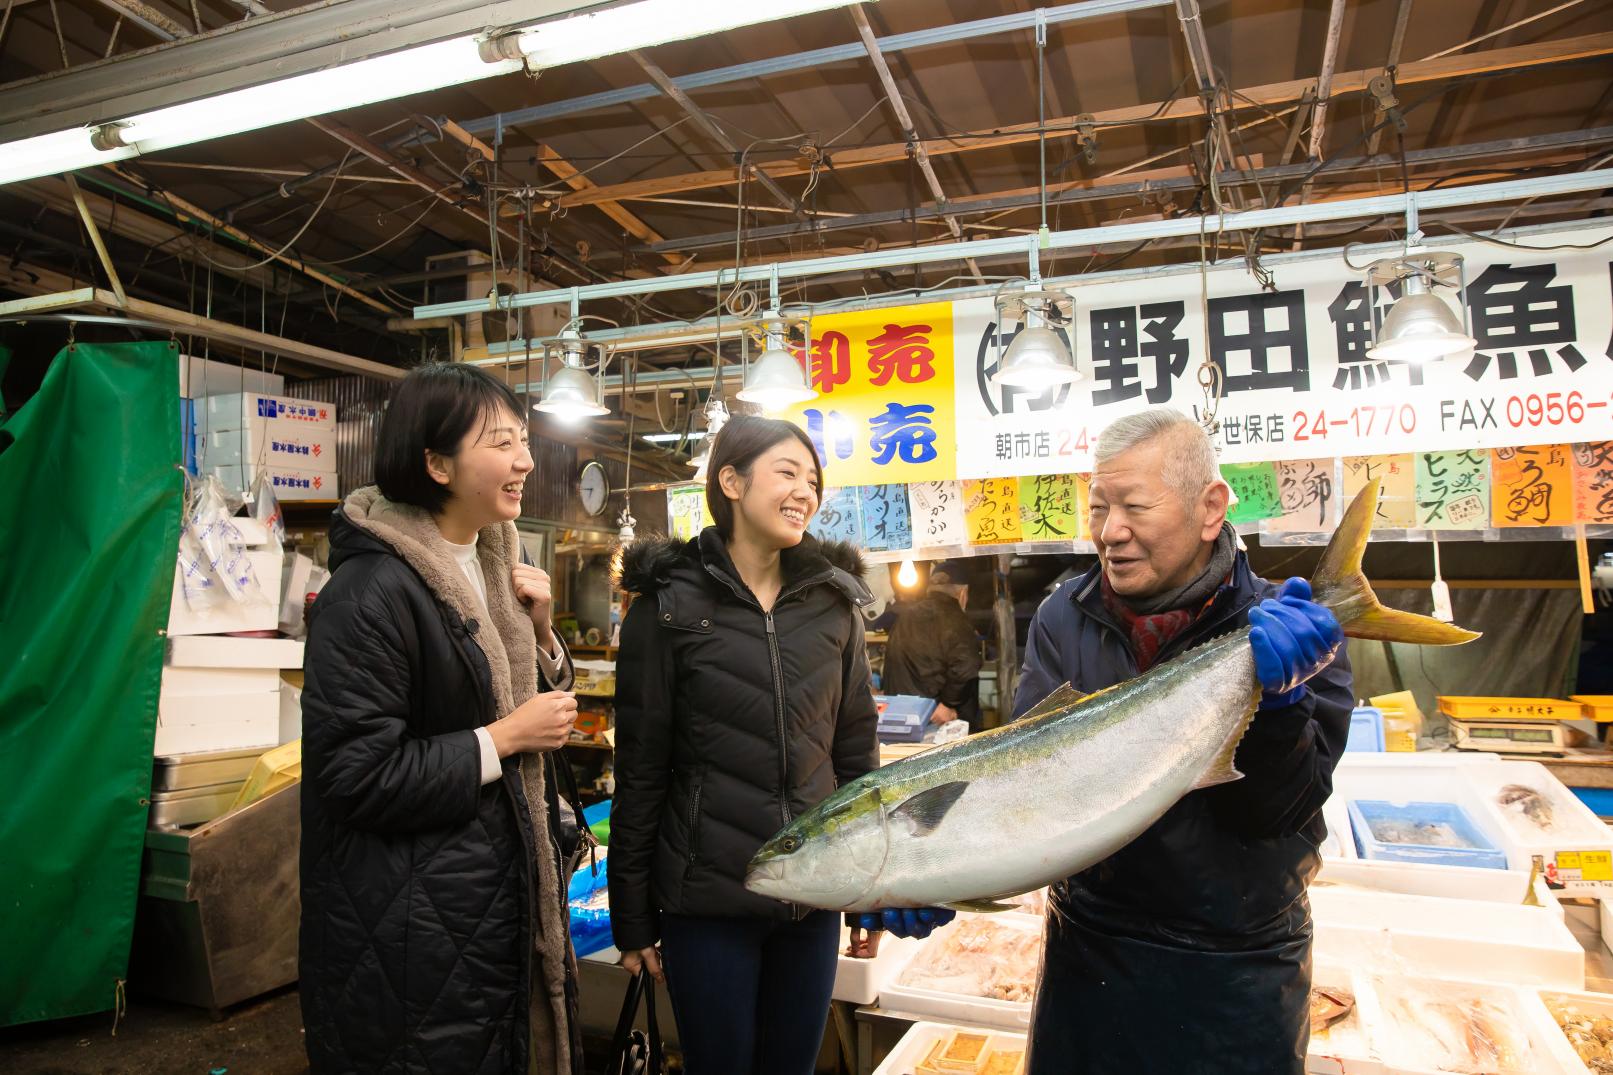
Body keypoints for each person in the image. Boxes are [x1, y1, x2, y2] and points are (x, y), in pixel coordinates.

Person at [610, 415, 951, 1075]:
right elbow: (641, 769)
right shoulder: (668, 606)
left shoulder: (833, 604)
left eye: (813, 479)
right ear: (731, 481)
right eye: (787, 472)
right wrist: (632, 916)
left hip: (814, 898)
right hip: (705, 900)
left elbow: (856, 758)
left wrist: (871, 886)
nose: (805, 491)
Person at [1014, 408, 1350, 1075]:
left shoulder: (1290, 629)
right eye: (1098, 506)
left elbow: (1275, 815)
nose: (1110, 532)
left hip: (1238, 971)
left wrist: (1279, 709)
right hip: (1088, 959)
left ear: (1209, 508)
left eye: (1134, 505)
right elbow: (1037, 787)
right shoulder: (1063, 616)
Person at [300, 363, 583, 1075]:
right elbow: (355, 776)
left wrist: (541, 634)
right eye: (500, 441)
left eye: (523, 438)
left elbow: (491, 689)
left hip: (491, 908)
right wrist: (505, 738)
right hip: (410, 931)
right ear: (435, 463)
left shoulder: (493, 565)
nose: (524, 459)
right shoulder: (368, 592)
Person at [881, 562, 982, 726]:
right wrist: (949, 703)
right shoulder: (956, 619)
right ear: (963, 593)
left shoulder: (905, 617)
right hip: (940, 720)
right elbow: (967, 666)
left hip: (903, 717)